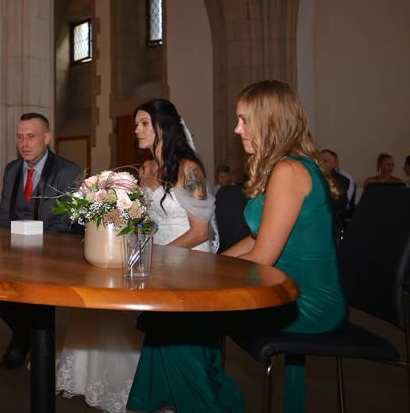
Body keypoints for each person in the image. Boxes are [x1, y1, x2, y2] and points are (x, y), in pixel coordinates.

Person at [56, 99, 219, 413]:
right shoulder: (147, 169)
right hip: (153, 255)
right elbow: (144, 221)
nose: (137, 130)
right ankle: (124, 383)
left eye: (144, 123)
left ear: (164, 127)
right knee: (101, 298)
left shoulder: (190, 169)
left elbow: (201, 232)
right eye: (136, 124)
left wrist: (155, 255)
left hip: (187, 259)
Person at [212, 80, 345, 413]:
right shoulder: (287, 165)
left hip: (305, 300)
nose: (236, 128)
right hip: (284, 287)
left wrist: (205, 278)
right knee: (183, 314)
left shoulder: (288, 169)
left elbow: (263, 257)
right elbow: (258, 237)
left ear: (269, 122)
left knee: (185, 318)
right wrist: (207, 265)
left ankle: (203, 402)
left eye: (244, 119)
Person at [0, 112, 82, 370]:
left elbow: (66, 222)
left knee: (36, 291)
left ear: (47, 137)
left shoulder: (67, 171)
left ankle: (20, 342)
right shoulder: (11, 169)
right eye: (20, 137)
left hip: (51, 253)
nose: (24, 143)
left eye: (31, 136)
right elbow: (2, 215)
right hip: (12, 252)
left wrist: (30, 238)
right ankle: (25, 334)